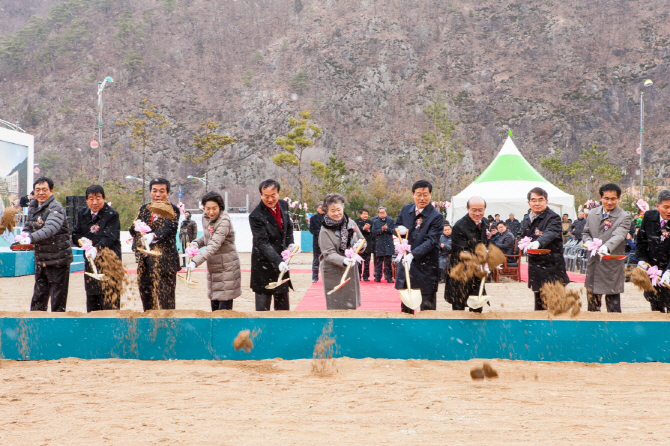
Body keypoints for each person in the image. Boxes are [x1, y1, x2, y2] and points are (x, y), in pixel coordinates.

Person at [21, 178, 73, 312]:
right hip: (42, 260)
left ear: (51, 191)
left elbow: (50, 229)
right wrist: (23, 237)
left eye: (44, 190)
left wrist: (31, 238)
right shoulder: (33, 207)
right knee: (38, 298)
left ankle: (57, 330)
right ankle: (36, 329)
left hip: (58, 260)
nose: (41, 193)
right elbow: (28, 227)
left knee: (57, 302)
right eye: (37, 190)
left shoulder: (55, 208)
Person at [129, 178, 180, 311]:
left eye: (161, 191)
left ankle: (168, 328)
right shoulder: (145, 209)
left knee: (166, 303)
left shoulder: (173, 209)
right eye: (154, 191)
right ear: (150, 192)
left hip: (165, 262)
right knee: (147, 302)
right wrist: (137, 228)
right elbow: (132, 230)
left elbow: (168, 228)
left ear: (167, 193)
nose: (157, 194)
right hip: (145, 263)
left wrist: (152, 235)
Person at [395, 180, 444, 314]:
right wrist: (398, 230)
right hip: (407, 266)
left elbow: (431, 240)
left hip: (426, 266)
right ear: (413, 194)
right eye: (418, 194)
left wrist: (413, 255)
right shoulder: (406, 209)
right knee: (407, 307)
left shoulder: (436, 217)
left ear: (430, 195)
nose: (422, 198)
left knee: (427, 308)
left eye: (425, 194)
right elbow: (396, 225)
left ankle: (428, 333)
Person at [71, 185, 122, 312]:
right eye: (91, 198)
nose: (95, 202)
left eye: (98, 198)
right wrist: (82, 242)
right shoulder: (82, 214)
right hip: (91, 262)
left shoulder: (112, 214)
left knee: (110, 300)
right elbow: (75, 233)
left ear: (104, 198)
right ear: (86, 200)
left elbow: (110, 237)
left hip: (110, 262)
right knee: (93, 299)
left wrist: (96, 248)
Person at [581, 184, 631, 313]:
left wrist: (606, 247)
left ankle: (614, 331)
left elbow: (619, 234)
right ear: (600, 197)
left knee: (613, 306)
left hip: (611, 264)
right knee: (592, 306)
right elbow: (585, 232)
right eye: (606, 198)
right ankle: (593, 330)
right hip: (594, 263)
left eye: (613, 199)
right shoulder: (592, 213)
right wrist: (588, 242)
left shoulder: (624, 216)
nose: (609, 202)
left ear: (618, 198)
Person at [188, 192, 241, 311]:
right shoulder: (205, 218)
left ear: (220, 207)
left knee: (224, 311)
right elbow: (207, 237)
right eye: (208, 208)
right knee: (215, 307)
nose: (211, 212)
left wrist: (195, 262)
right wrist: (197, 242)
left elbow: (214, 244)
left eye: (214, 208)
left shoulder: (224, 221)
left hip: (226, 267)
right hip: (214, 267)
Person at [520, 187, 570, 311]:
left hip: (552, 265)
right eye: (533, 200)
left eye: (540, 200)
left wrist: (538, 243)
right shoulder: (527, 218)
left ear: (546, 201)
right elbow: (522, 236)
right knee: (539, 305)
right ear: (529, 203)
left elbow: (550, 233)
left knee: (555, 306)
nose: (537, 203)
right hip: (535, 267)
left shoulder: (553, 217)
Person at [249, 179, 295, 311]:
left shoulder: (284, 205)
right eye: (266, 196)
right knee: (263, 310)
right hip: (264, 264)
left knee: (283, 309)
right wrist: (278, 261)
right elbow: (262, 243)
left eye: (273, 195)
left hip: (282, 264)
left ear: (278, 193)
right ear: (261, 195)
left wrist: (290, 244)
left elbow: (288, 227)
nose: (270, 199)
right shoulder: (255, 215)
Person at [319, 193, 364, 310]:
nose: (336, 213)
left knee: (350, 305)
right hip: (332, 269)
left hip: (350, 269)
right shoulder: (324, 230)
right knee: (336, 305)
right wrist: (344, 260)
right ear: (326, 211)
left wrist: (360, 246)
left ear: (343, 207)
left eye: (338, 209)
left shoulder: (351, 223)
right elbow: (328, 253)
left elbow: (362, 240)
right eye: (332, 210)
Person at [445, 196, 488, 311]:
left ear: (485, 209)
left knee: (477, 306)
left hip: (477, 274)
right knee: (459, 307)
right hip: (460, 271)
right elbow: (462, 251)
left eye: (480, 210)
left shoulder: (485, 222)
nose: (477, 213)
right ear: (467, 208)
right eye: (474, 210)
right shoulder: (460, 226)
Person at [636, 190, 670, 312]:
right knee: (656, 306)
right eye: (666, 207)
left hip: (668, 269)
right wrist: (642, 259)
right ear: (658, 206)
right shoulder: (649, 217)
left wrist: (669, 270)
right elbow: (641, 240)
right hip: (653, 270)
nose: (669, 211)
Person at [371, 205, 395, 283]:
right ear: (378, 214)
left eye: (383, 212)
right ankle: (378, 277)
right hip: (380, 243)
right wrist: (382, 229)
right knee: (379, 262)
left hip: (388, 243)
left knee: (388, 262)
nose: (382, 214)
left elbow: (393, 231)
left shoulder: (390, 220)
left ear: (386, 212)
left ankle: (389, 277)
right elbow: (374, 232)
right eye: (380, 213)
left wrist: (387, 229)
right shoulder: (375, 221)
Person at [355, 208, 374, 281]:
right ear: (360, 214)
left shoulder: (370, 222)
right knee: (359, 261)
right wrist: (363, 228)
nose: (366, 215)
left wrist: (368, 229)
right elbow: (356, 231)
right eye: (364, 214)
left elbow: (373, 231)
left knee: (367, 262)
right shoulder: (356, 221)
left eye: (367, 214)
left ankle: (366, 276)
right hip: (359, 244)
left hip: (368, 243)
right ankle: (358, 275)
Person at [309, 202, 325, 283]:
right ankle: (314, 277)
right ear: (317, 209)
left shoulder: (328, 217)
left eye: (323, 207)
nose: (321, 209)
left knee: (327, 259)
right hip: (317, 241)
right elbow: (311, 230)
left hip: (327, 241)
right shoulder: (313, 218)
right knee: (316, 259)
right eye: (320, 207)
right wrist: (320, 233)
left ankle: (327, 277)